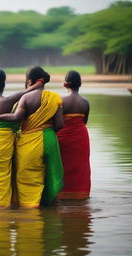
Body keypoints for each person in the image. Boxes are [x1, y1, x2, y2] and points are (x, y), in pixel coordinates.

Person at [0, 66, 64, 208]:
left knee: (28, 179)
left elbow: (16, 117)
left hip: (31, 142)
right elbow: (59, 124)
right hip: (50, 139)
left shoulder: (26, 97)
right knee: (51, 174)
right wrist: (46, 132)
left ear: (29, 81)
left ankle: (31, 211)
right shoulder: (55, 97)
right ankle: (50, 206)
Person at [0, 69, 45, 208]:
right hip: (5, 140)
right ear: (4, 83)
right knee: (3, 173)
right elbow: (25, 92)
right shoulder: (8, 100)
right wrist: (39, 83)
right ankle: (3, 204)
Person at [57, 70, 91, 199]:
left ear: (65, 84)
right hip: (81, 137)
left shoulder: (60, 100)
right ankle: (80, 196)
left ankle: (61, 195)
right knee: (80, 168)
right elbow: (84, 121)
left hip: (63, 137)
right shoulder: (85, 102)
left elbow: (58, 122)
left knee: (62, 167)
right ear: (80, 84)